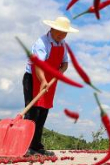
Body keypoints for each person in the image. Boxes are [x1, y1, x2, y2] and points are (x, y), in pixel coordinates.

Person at [22, 16, 78, 156]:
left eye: (64, 33)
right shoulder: (42, 42)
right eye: (59, 31)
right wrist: (42, 80)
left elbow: (65, 63)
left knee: (43, 113)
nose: (61, 35)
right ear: (52, 29)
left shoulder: (62, 44)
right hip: (34, 78)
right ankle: (25, 147)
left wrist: (60, 72)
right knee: (32, 113)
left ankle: (36, 146)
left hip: (50, 80)